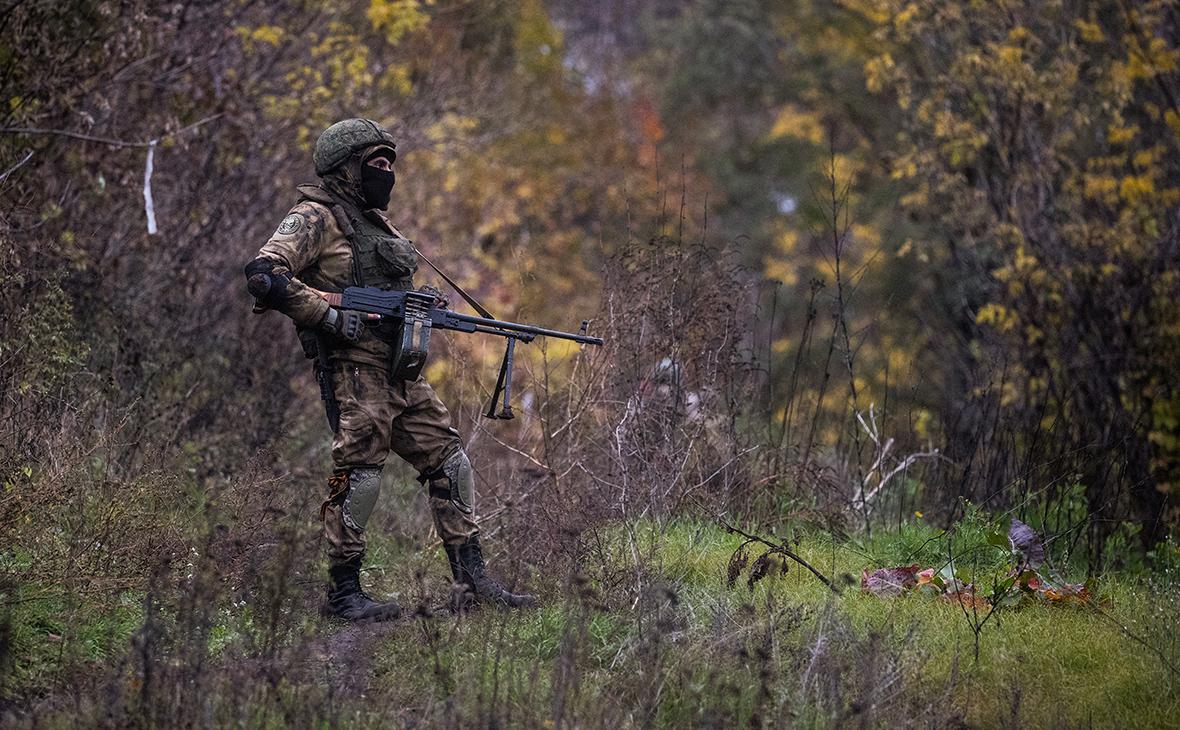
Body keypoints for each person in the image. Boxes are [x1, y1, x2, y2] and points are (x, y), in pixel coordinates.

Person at [244, 118, 535, 621]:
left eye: (389, 165)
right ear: (347, 169)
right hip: (354, 372)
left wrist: (417, 304)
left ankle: (473, 584)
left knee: (450, 463)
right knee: (360, 475)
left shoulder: (375, 224)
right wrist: (330, 315)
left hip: (401, 368)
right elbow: (264, 276)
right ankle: (344, 594)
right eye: (375, 165)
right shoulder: (315, 216)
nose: (386, 174)